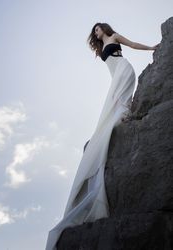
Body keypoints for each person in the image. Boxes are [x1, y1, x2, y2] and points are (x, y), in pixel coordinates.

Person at [45, 22, 159, 250]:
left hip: (124, 70)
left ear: (104, 28)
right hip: (114, 77)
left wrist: (152, 48)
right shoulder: (100, 48)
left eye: (98, 29)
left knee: (120, 103)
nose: (96, 33)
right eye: (94, 32)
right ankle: (123, 117)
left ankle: (126, 117)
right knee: (113, 105)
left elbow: (132, 44)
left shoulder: (114, 36)